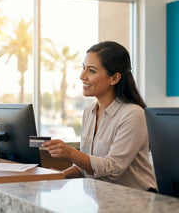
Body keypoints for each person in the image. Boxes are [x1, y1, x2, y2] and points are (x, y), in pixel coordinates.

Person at [42, 41, 157, 191]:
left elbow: (112, 169)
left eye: (91, 71)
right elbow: (88, 166)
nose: (82, 76)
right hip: (103, 199)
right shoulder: (89, 112)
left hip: (135, 201)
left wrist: (70, 153)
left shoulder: (133, 114)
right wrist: (60, 176)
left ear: (114, 78)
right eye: (83, 68)